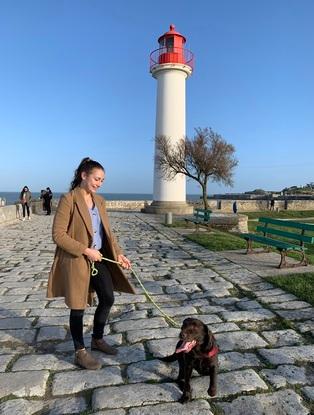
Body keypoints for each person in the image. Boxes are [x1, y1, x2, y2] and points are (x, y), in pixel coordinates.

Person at [47, 157, 136, 370]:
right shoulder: (69, 199)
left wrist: (119, 255)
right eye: (97, 178)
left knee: (107, 297)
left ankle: (97, 339)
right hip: (76, 260)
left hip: (99, 259)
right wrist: (85, 250)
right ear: (83, 175)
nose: (99, 183)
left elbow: (108, 234)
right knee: (78, 306)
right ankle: (80, 352)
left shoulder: (100, 201)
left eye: (102, 180)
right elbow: (58, 235)